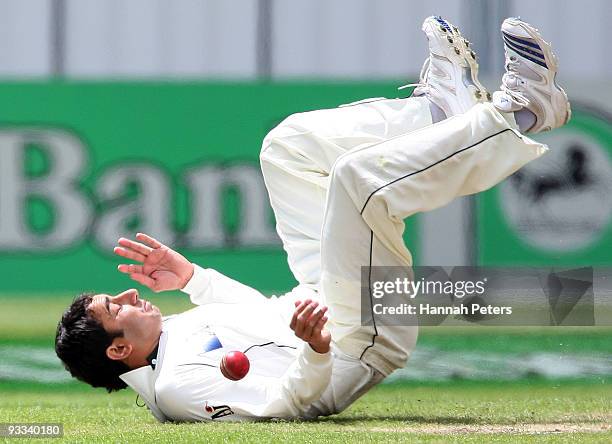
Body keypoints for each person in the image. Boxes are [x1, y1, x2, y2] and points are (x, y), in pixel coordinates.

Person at [55, 16, 570, 422]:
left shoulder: (172, 336)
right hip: (357, 339)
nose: (125, 296)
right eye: (113, 307)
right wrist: (316, 350)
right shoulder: (175, 389)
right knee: (357, 181)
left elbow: (256, 320)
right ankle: (522, 112)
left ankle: (439, 110)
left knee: (285, 148)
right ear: (120, 348)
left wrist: (193, 279)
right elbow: (289, 404)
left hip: (319, 297)